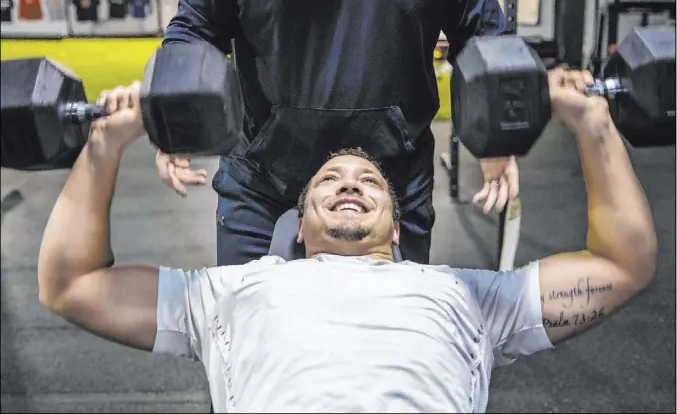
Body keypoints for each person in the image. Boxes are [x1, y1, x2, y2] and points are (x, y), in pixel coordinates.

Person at [38, 69, 657, 413]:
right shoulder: (230, 293)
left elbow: (622, 265)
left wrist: (593, 123)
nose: (350, 183)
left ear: (397, 227)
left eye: (370, 182)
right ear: (300, 229)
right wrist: (103, 146)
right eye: (328, 181)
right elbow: (72, 285)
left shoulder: (467, 297)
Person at [153, 0, 520, 267]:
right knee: (245, 327)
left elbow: (481, 34)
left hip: (389, 190)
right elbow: (196, 25)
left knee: (394, 330)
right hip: (263, 182)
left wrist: (496, 137)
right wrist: (179, 112)